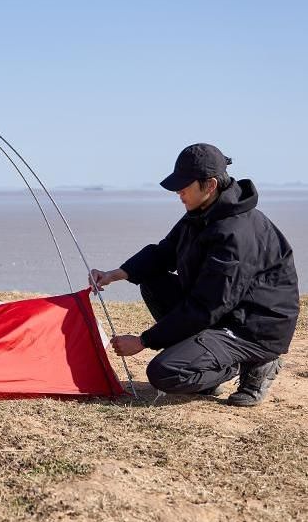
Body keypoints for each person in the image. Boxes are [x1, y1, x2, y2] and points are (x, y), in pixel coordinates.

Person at [91, 144, 299, 407]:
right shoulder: (202, 212)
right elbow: (165, 252)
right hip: (224, 311)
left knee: (163, 372)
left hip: (253, 327)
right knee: (153, 281)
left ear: (210, 185)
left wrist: (144, 341)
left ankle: (248, 363)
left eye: (184, 186)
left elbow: (206, 306)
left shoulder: (236, 233)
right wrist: (114, 274)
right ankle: (204, 356)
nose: (178, 193)